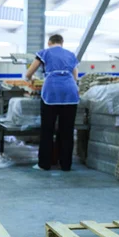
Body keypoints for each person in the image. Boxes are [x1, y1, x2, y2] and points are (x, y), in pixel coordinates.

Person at [25, 34, 79, 171]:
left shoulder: (44, 52)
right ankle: (66, 165)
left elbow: (29, 72)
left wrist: (30, 79)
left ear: (49, 42)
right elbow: (75, 77)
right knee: (67, 130)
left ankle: (44, 164)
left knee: (47, 129)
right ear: (62, 42)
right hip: (70, 93)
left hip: (52, 92)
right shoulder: (71, 55)